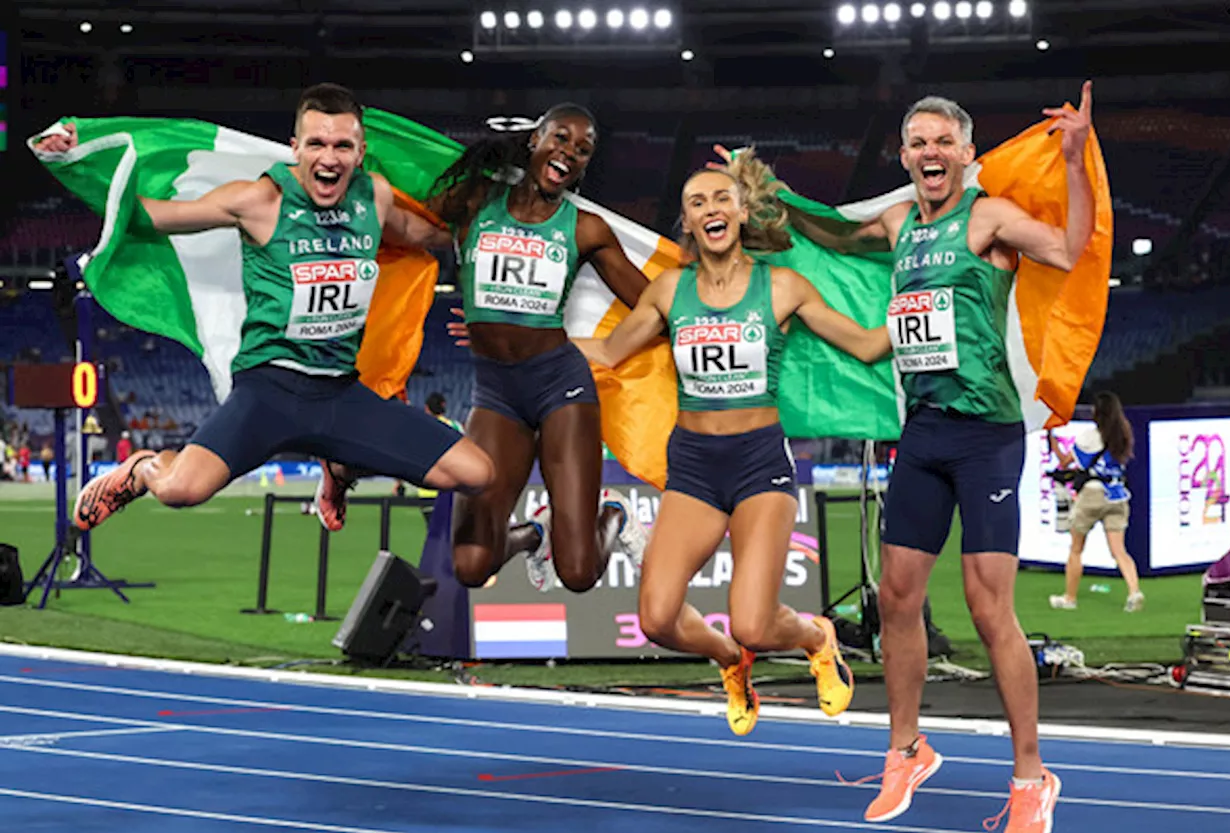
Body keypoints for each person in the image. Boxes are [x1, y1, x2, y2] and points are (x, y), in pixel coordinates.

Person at [737, 84, 1091, 832]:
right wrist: (773, 195)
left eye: (943, 142)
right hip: (923, 432)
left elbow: (1067, 249)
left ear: (966, 154)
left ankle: (1032, 775)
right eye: (918, 143)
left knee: (990, 607)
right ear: (904, 157)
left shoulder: (986, 217)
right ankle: (906, 748)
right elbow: (831, 237)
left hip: (987, 435)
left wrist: (1073, 159)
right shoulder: (898, 222)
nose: (930, 152)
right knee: (897, 596)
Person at [33, 83, 495, 530]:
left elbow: (421, 234)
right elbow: (152, 216)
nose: (329, 158)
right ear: (295, 147)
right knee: (178, 490)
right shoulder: (258, 200)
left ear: (360, 150)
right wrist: (77, 160)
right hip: (268, 392)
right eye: (316, 144)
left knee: (476, 474)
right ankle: (141, 469)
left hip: (341, 395)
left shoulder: (373, 196)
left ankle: (340, 467)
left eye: (342, 146)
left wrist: (494, 224)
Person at [575, 165, 889, 734]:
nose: (711, 208)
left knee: (757, 622)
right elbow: (607, 350)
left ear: (742, 213)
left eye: (723, 197)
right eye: (698, 201)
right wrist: (521, 338)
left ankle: (818, 637)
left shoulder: (783, 287)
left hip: (758, 465)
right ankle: (729, 661)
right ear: (689, 222)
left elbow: (866, 346)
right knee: (657, 617)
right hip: (694, 467)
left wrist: (936, 316)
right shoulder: (670, 290)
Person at [350, 102, 652, 595]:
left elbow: (649, 303)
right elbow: (414, 227)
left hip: (562, 388)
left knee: (578, 573)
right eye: (560, 138)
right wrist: (351, 196)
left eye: (583, 150)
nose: (569, 153)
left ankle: (613, 514)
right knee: (471, 566)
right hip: (498, 395)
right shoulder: (476, 204)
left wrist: (601, 345)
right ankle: (536, 533)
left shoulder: (585, 229)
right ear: (535, 141)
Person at [1049, 391, 1143, 612]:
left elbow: (1064, 462)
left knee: (1076, 549)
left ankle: (1069, 598)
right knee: (1119, 551)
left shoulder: (1088, 437)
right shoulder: (1123, 434)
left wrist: (1052, 441)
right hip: (1118, 495)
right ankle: (1134, 592)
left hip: (1092, 495)